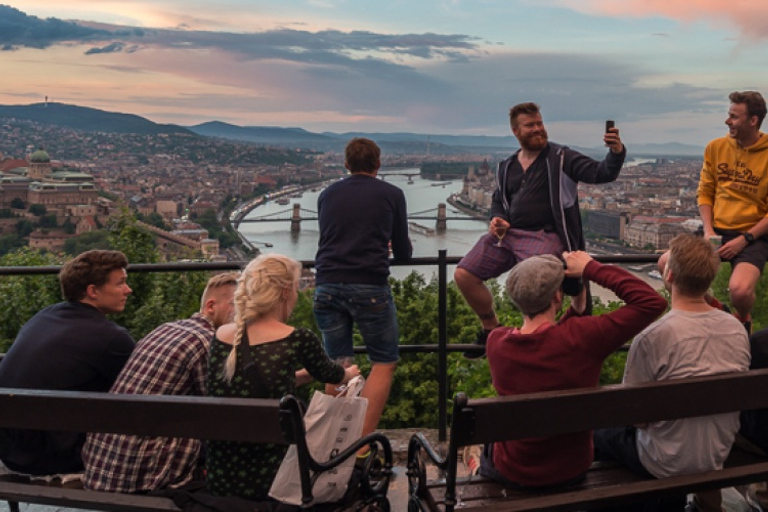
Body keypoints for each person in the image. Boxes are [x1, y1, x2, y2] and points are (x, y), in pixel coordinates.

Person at [473, 251, 666, 489]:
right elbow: (651, 302)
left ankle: (477, 468)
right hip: (570, 470)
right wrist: (591, 268)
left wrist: (574, 311)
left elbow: (544, 344)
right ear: (557, 295)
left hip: (513, 470)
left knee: (489, 448)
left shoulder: (496, 343)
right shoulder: (583, 337)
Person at [594, 233, 750, 511]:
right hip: (717, 452)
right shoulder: (736, 329)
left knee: (599, 432)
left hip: (664, 461)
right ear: (710, 280)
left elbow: (633, 416)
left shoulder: (653, 337)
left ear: (669, 278)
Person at [456, 102, 626, 357]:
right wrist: (497, 218)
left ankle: (544, 340)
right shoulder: (506, 165)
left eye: (540, 123)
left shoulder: (562, 158)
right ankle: (490, 329)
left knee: (537, 286)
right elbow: (498, 200)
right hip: (508, 236)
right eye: (530, 125)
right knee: (463, 275)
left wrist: (616, 152)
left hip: (545, 236)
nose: (537, 129)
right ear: (516, 131)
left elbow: (601, 173)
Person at [206, 254, 360, 501]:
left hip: (222, 478)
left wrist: (303, 376)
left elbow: (255, 387)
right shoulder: (297, 338)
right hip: (277, 480)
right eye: (297, 288)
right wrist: (349, 374)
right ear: (286, 291)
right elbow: (333, 374)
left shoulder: (222, 335)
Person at [82, 272, 239, 493]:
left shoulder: (166, 328)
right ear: (211, 306)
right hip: (139, 476)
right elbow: (220, 410)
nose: (244, 316)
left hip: (102, 465)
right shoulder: (207, 343)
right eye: (238, 307)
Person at [0, 249, 135, 476]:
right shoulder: (112, 338)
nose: (128, 290)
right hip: (54, 457)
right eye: (120, 283)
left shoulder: (44, 316)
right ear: (92, 291)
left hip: (9, 448)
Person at [313, 137, 412, 440]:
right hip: (369, 285)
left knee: (338, 365)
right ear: (378, 165)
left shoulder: (326, 195)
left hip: (326, 285)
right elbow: (405, 253)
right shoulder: (392, 194)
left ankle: (332, 442)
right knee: (384, 362)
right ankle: (358, 444)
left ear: (346, 164)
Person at [698, 90, 768, 332]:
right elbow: (705, 192)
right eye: (729, 115)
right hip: (716, 228)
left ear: (753, 120)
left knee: (740, 290)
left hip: (753, 233)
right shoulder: (716, 148)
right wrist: (708, 230)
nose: (727, 121)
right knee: (668, 267)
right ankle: (717, 309)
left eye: (734, 117)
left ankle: (742, 319)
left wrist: (745, 239)